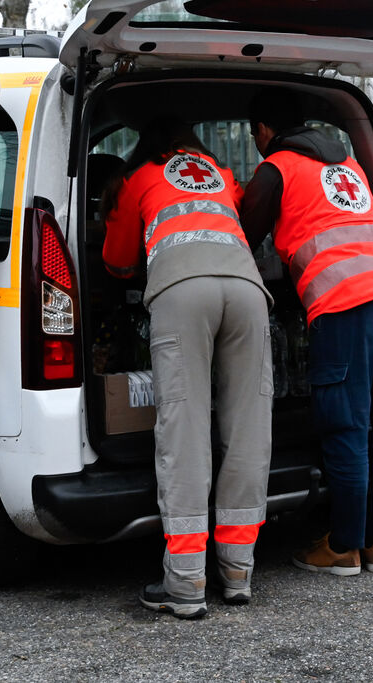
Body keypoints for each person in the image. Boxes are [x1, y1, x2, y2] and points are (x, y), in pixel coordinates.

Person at [240, 89, 373, 576]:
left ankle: (342, 546)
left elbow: (242, 235)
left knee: (346, 424)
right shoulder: (348, 165)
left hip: (344, 301)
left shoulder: (277, 168)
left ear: (264, 131)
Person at [101, 118, 272, 619]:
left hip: (182, 293)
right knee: (248, 428)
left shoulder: (137, 178)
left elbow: (116, 261)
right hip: (247, 291)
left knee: (185, 429)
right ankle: (238, 572)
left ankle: (185, 581)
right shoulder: (220, 172)